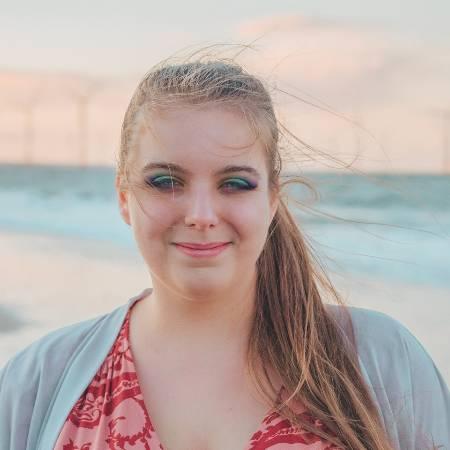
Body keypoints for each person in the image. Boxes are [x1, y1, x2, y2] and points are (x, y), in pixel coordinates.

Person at [1, 57, 449, 450]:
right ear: (123, 197)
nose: (200, 214)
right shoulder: (37, 381)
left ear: (272, 199)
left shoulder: (381, 362)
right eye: (165, 181)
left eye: (234, 183)